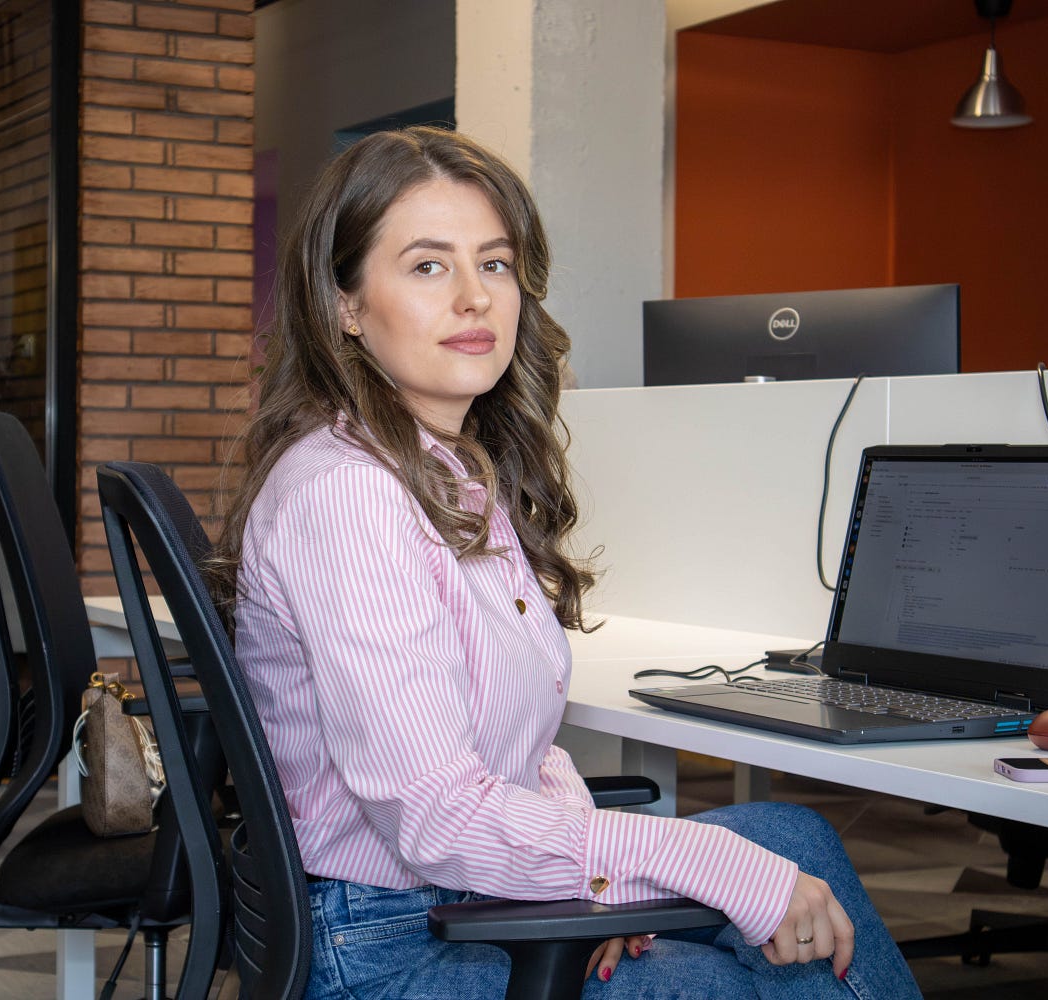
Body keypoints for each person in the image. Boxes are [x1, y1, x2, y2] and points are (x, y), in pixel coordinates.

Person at [212, 126, 921, 999]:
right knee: (763, 962)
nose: (475, 298)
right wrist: (656, 872)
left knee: (795, 839)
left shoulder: (446, 464)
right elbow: (436, 815)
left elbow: (520, 748)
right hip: (390, 941)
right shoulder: (348, 495)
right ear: (345, 306)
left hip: (457, 896)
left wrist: (599, 878)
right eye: (428, 266)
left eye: (496, 264)